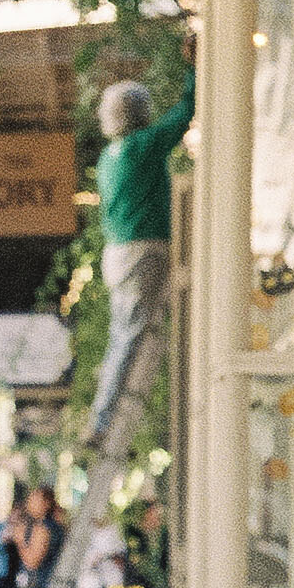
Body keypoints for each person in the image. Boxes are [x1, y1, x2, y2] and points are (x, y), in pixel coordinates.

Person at [87, 72, 195, 441]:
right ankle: (103, 419)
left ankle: (102, 414)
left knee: (124, 333)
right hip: (143, 252)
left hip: (118, 254)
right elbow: (184, 113)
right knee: (129, 336)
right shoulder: (141, 147)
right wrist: (192, 70)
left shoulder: (107, 158)